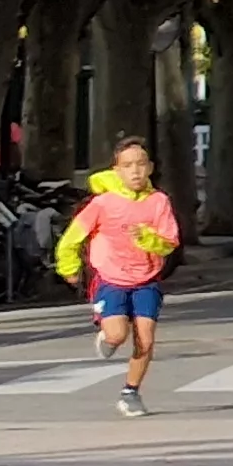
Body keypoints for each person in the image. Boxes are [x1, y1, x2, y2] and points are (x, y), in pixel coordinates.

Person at [58, 136, 182, 419]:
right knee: (117, 335)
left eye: (141, 164)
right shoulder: (103, 204)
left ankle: (131, 391)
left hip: (146, 280)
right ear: (116, 171)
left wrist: (148, 238)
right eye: (128, 165)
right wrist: (68, 268)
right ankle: (107, 336)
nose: (135, 171)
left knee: (145, 340)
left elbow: (170, 241)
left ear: (150, 167)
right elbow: (71, 238)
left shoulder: (159, 201)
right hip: (111, 279)